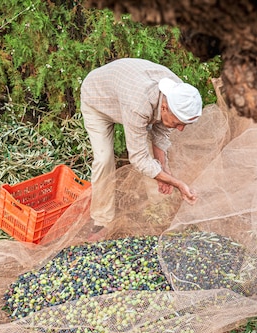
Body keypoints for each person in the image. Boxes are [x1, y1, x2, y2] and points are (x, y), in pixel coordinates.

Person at [80, 58, 203, 238]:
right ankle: (101, 220)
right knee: (104, 158)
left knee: (155, 162)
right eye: (178, 123)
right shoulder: (139, 103)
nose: (181, 129)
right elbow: (138, 158)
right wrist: (176, 183)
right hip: (98, 101)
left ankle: (159, 211)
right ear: (165, 107)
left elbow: (161, 133)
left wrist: (164, 171)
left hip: (125, 96)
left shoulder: (178, 93)